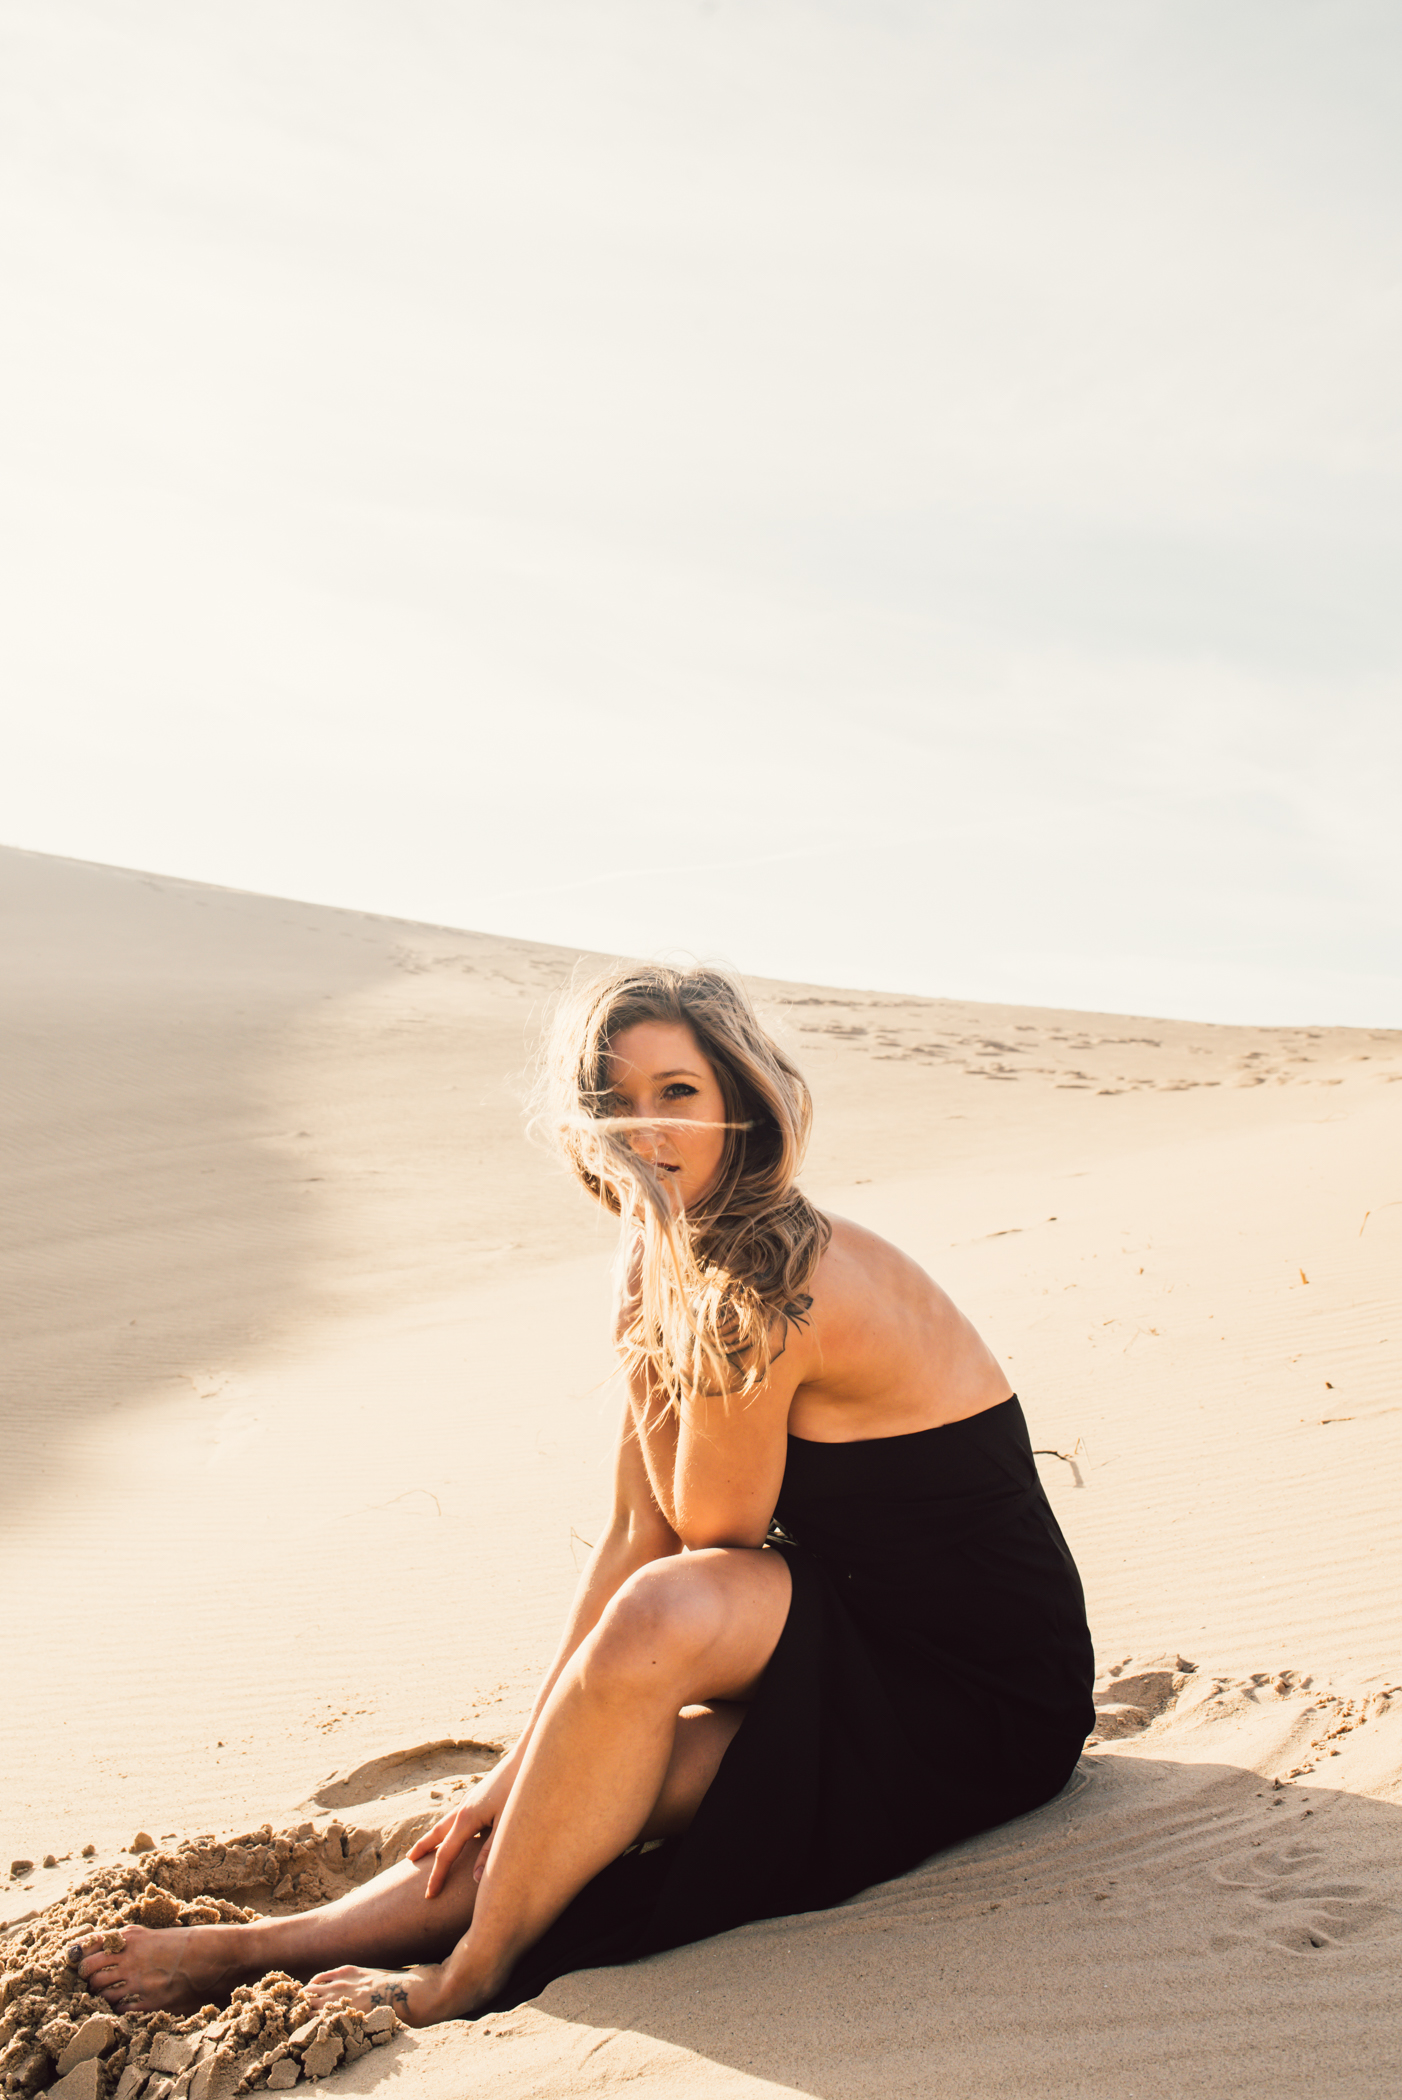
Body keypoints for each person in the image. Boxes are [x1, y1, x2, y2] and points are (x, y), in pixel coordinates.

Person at [73, 963, 1095, 2026]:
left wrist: (655, 1346)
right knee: (572, 1799)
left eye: (678, 1093)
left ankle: (470, 1974)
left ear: (742, 1101)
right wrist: (518, 1765)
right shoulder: (678, 1259)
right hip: (850, 1636)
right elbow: (630, 1530)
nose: (643, 1129)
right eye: (613, 1101)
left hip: (983, 1693)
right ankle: (260, 1946)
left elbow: (708, 1538)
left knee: (670, 1622)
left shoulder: (774, 1279)